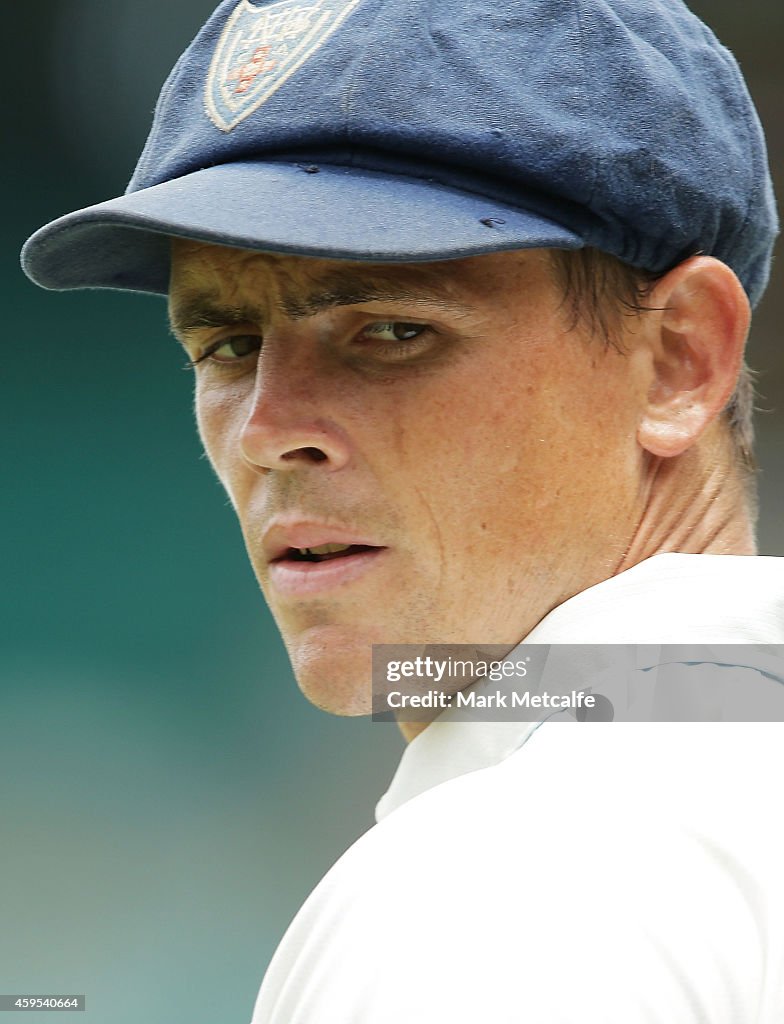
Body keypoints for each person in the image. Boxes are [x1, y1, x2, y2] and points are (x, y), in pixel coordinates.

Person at [21, 0, 784, 1020]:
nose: (265, 429)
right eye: (227, 346)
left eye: (390, 328)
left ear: (677, 358)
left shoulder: (497, 890)